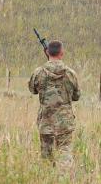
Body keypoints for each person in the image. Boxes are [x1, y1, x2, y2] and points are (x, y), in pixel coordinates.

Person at [28, 40, 80, 174]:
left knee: (46, 157)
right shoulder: (70, 73)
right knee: (65, 153)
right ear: (62, 53)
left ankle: (47, 179)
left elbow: (32, 90)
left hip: (46, 122)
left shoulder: (39, 72)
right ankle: (65, 179)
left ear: (47, 52)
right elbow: (76, 96)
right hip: (65, 123)